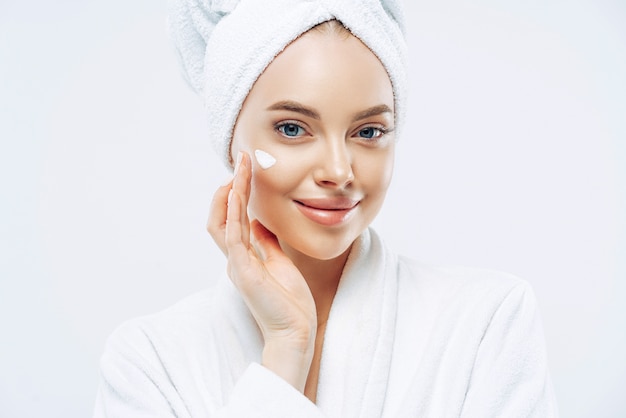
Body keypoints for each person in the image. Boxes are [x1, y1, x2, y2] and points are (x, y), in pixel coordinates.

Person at [94, 0, 558, 416]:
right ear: (230, 138)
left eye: (369, 131)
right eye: (293, 129)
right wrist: (285, 349)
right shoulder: (151, 361)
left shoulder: (486, 323)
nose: (339, 170)